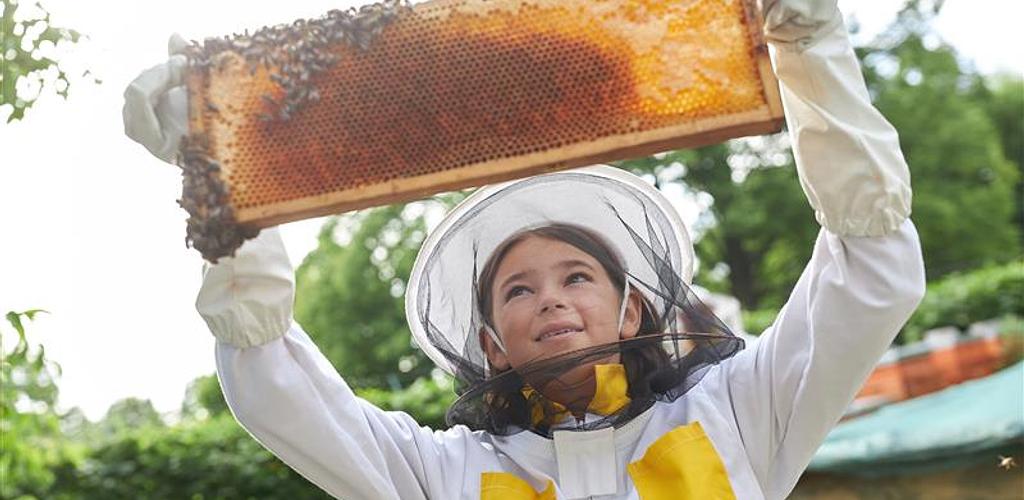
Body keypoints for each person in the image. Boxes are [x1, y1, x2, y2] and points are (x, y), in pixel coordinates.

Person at [123, 1, 926, 498]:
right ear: (488, 346)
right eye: (517, 291)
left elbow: (872, 277)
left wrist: (812, 55)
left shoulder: (740, 413)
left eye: (578, 276)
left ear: (634, 308)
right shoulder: (440, 474)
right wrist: (221, 181)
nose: (550, 298)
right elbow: (274, 388)